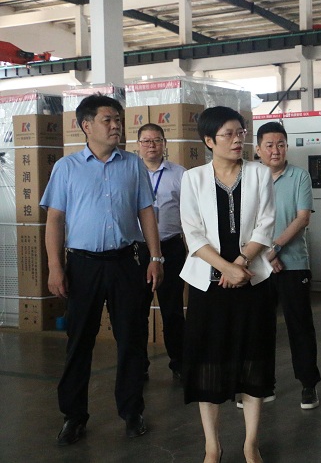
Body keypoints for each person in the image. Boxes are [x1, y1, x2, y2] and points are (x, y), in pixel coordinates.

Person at [40, 94, 164, 446]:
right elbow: (55, 220)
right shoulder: (66, 168)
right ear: (86, 125)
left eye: (118, 120)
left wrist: (156, 258)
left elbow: (146, 212)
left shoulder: (133, 164)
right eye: (108, 120)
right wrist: (55, 267)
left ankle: (132, 411)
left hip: (126, 263)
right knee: (79, 341)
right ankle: (73, 416)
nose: (115, 126)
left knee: (132, 340)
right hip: (83, 266)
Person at [179, 106, 276, 463]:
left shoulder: (260, 173)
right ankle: (212, 445)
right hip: (208, 286)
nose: (238, 140)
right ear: (209, 140)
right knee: (208, 363)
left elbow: (266, 223)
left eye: (241, 132)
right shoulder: (193, 179)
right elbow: (193, 233)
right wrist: (224, 268)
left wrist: (240, 263)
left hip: (252, 281)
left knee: (254, 361)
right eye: (229, 134)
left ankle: (251, 443)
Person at [256, 121, 321, 409]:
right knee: (260, 327)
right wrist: (264, 255)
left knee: (300, 326)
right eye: (269, 145)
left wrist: (275, 249)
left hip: (293, 264)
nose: (276, 150)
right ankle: (262, 385)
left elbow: (302, 217)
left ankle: (308, 385)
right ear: (258, 149)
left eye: (280, 144)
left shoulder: (299, 176)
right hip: (258, 265)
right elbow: (247, 221)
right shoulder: (250, 178)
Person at [137, 123, 187, 381]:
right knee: (137, 310)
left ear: (164, 144)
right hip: (138, 250)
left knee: (173, 309)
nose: (151, 145)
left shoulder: (180, 174)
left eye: (156, 140)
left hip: (171, 247)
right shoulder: (131, 173)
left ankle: (179, 362)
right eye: (146, 141)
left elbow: (190, 213)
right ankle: (139, 365)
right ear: (138, 145)